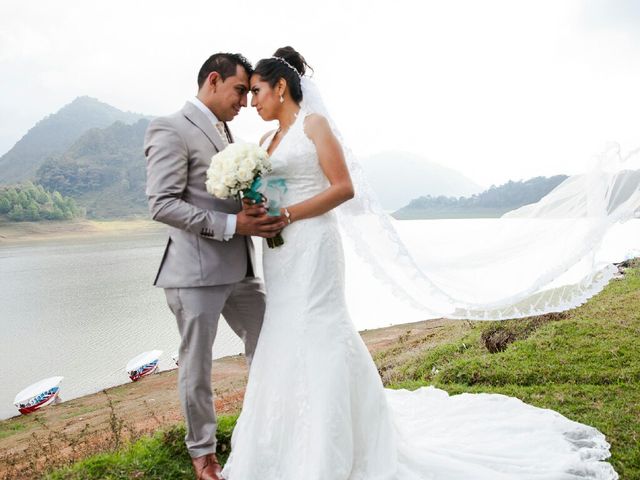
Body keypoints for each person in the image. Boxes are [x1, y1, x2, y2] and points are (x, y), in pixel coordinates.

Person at [220, 46, 618, 480]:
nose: (252, 101)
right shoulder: (262, 142)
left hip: (313, 244)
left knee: (319, 330)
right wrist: (255, 206)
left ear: (281, 87)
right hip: (277, 250)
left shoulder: (314, 126)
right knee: (282, 333)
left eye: (257, 91)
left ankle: (330, 447)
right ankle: (278, 444)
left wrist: (292, 214)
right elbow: (271, 190)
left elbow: (344, 188)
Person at [144, 52, 286, 480]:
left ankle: (275, 427)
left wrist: (253, 210)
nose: (244, 101)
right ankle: (203, 455)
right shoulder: (169, 128)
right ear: (213, 81)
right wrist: (231, 222)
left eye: (247, 92)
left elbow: (222, 193)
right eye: (240, 90)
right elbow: (162, 204)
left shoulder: (225, 132)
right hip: (194, 273)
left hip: (241, 269)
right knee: (197, 364)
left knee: (273, 341)